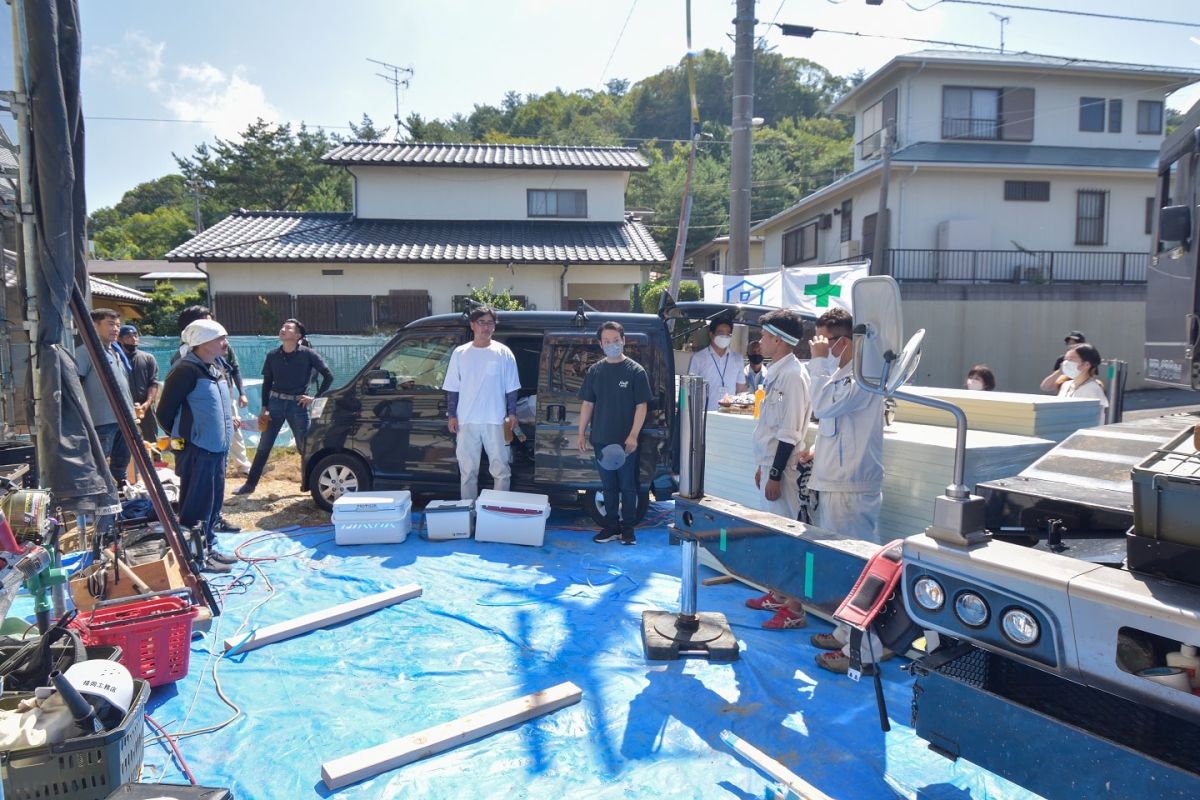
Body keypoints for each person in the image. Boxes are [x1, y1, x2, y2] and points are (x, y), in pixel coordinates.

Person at [803, 308, 890, 674]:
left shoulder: (863, 376)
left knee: (858, 569)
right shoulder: (843, 373)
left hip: (852, 483)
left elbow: (821, 406)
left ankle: (865, 650)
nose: (820, 347)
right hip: (839, 479)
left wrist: (819, 363)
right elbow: (832, 423)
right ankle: (846, 631)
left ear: (844, 341)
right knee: (845, 566)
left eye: (825, 340)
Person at [742, 309, 811, 630]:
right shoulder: (776, 372)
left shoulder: (794, 375)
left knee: (788, 536)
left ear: (781, 341)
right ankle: (779, 594)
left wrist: (774, 473)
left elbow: (790, 431)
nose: (761, 342)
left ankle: (794, 609)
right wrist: (762, 466)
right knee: (773, 532)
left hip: (783, 470)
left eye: (766, 336)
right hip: (770, 464)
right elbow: (770, 426)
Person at [156, 320, 238, 574]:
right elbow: (164, 413)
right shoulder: (185, 370)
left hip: (217, 447)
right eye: (219, 338)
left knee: (212, 501)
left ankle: (209, 545)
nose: (225, 343)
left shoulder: (215, 367)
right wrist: (187, 437)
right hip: (196, 447)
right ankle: (195, 556)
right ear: (202, 342)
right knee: (196, 503)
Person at [234, 319, 333, 496]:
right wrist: (264, 407)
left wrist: (314, 398)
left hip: (298, 406)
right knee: (264, 446)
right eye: (283, 326)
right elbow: (267, 383)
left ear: (298, 336)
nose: (283, 329)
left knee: (305, 447)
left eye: (288, 328)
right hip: (275, 404)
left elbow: (328, 376)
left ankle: (312, 486)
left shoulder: (308, 354)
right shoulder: (273, 355)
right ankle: (249, 485)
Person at [577, 321, 652, 546]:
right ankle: (610, 527)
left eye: (615, 340)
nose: (612, 344)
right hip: (601, 439)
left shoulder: (635, 371)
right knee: (608, 486)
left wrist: (633, 435)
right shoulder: (595, 371)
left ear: (624, 341)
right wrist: (580, 432)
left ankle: (627, 530)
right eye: (607, 341)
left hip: (626, 442)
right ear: (600, 344)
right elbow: (588, 404)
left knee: (628, 486)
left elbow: (642, 406)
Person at [441, 306, 520, 501]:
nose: (486, 327)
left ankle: (499, 511)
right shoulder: (460, 353)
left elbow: (512, 387)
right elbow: (453, 387)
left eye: (490, 323)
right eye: (481, 322)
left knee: (501, 469)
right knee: (467, 472)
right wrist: (452, 415)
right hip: (466, 420)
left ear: (494, 326)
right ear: (472, 325)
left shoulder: (504, 353)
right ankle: (468, 513)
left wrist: (512, 414)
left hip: (496, 420)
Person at [175, 306, 251, 476]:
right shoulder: (183, 363)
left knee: (232, 430)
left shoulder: (219, 352)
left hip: (223, 401)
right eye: (206, 323)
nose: (214, 328)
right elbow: (169, 411)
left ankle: (240, 466)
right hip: (198, 436)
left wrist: (240, 394)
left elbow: (235, 369)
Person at [77, 309, 136, 487]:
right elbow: (75, 384)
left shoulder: (116, 352)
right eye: (110, 324)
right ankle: (99, 503)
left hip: (125, 419)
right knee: (98, 466)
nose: (116, 329)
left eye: (118, 325)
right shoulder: (86, 352)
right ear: (95, 325)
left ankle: (121, 498)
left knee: (120, 465)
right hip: (102, 420)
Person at [1040, 342, 1109, 425]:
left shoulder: (1093, 390)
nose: (1065, 363)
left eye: (1071, 359)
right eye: (1065, 359)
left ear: (1086, 364)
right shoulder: (1066, 385)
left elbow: (1097, 422)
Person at [688, 316, 746, 411]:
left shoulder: (737, 359)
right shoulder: (698, 358)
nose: (724, 336)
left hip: (730, 414)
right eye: (721, 333)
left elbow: (740, 389)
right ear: (711, 334)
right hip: (705, 415)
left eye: (728, 334)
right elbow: (691, 389)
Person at [117, 324, 161, 446]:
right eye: (128, 336)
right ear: (119, 339)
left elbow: (153, 382)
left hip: (145, 408)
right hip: (124, 408)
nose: (133, 339)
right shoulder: (117, 358)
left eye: (135, 335)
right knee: (127, 441)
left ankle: (155, 464)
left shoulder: (148, 358)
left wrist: (147, 403)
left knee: (152, 440)